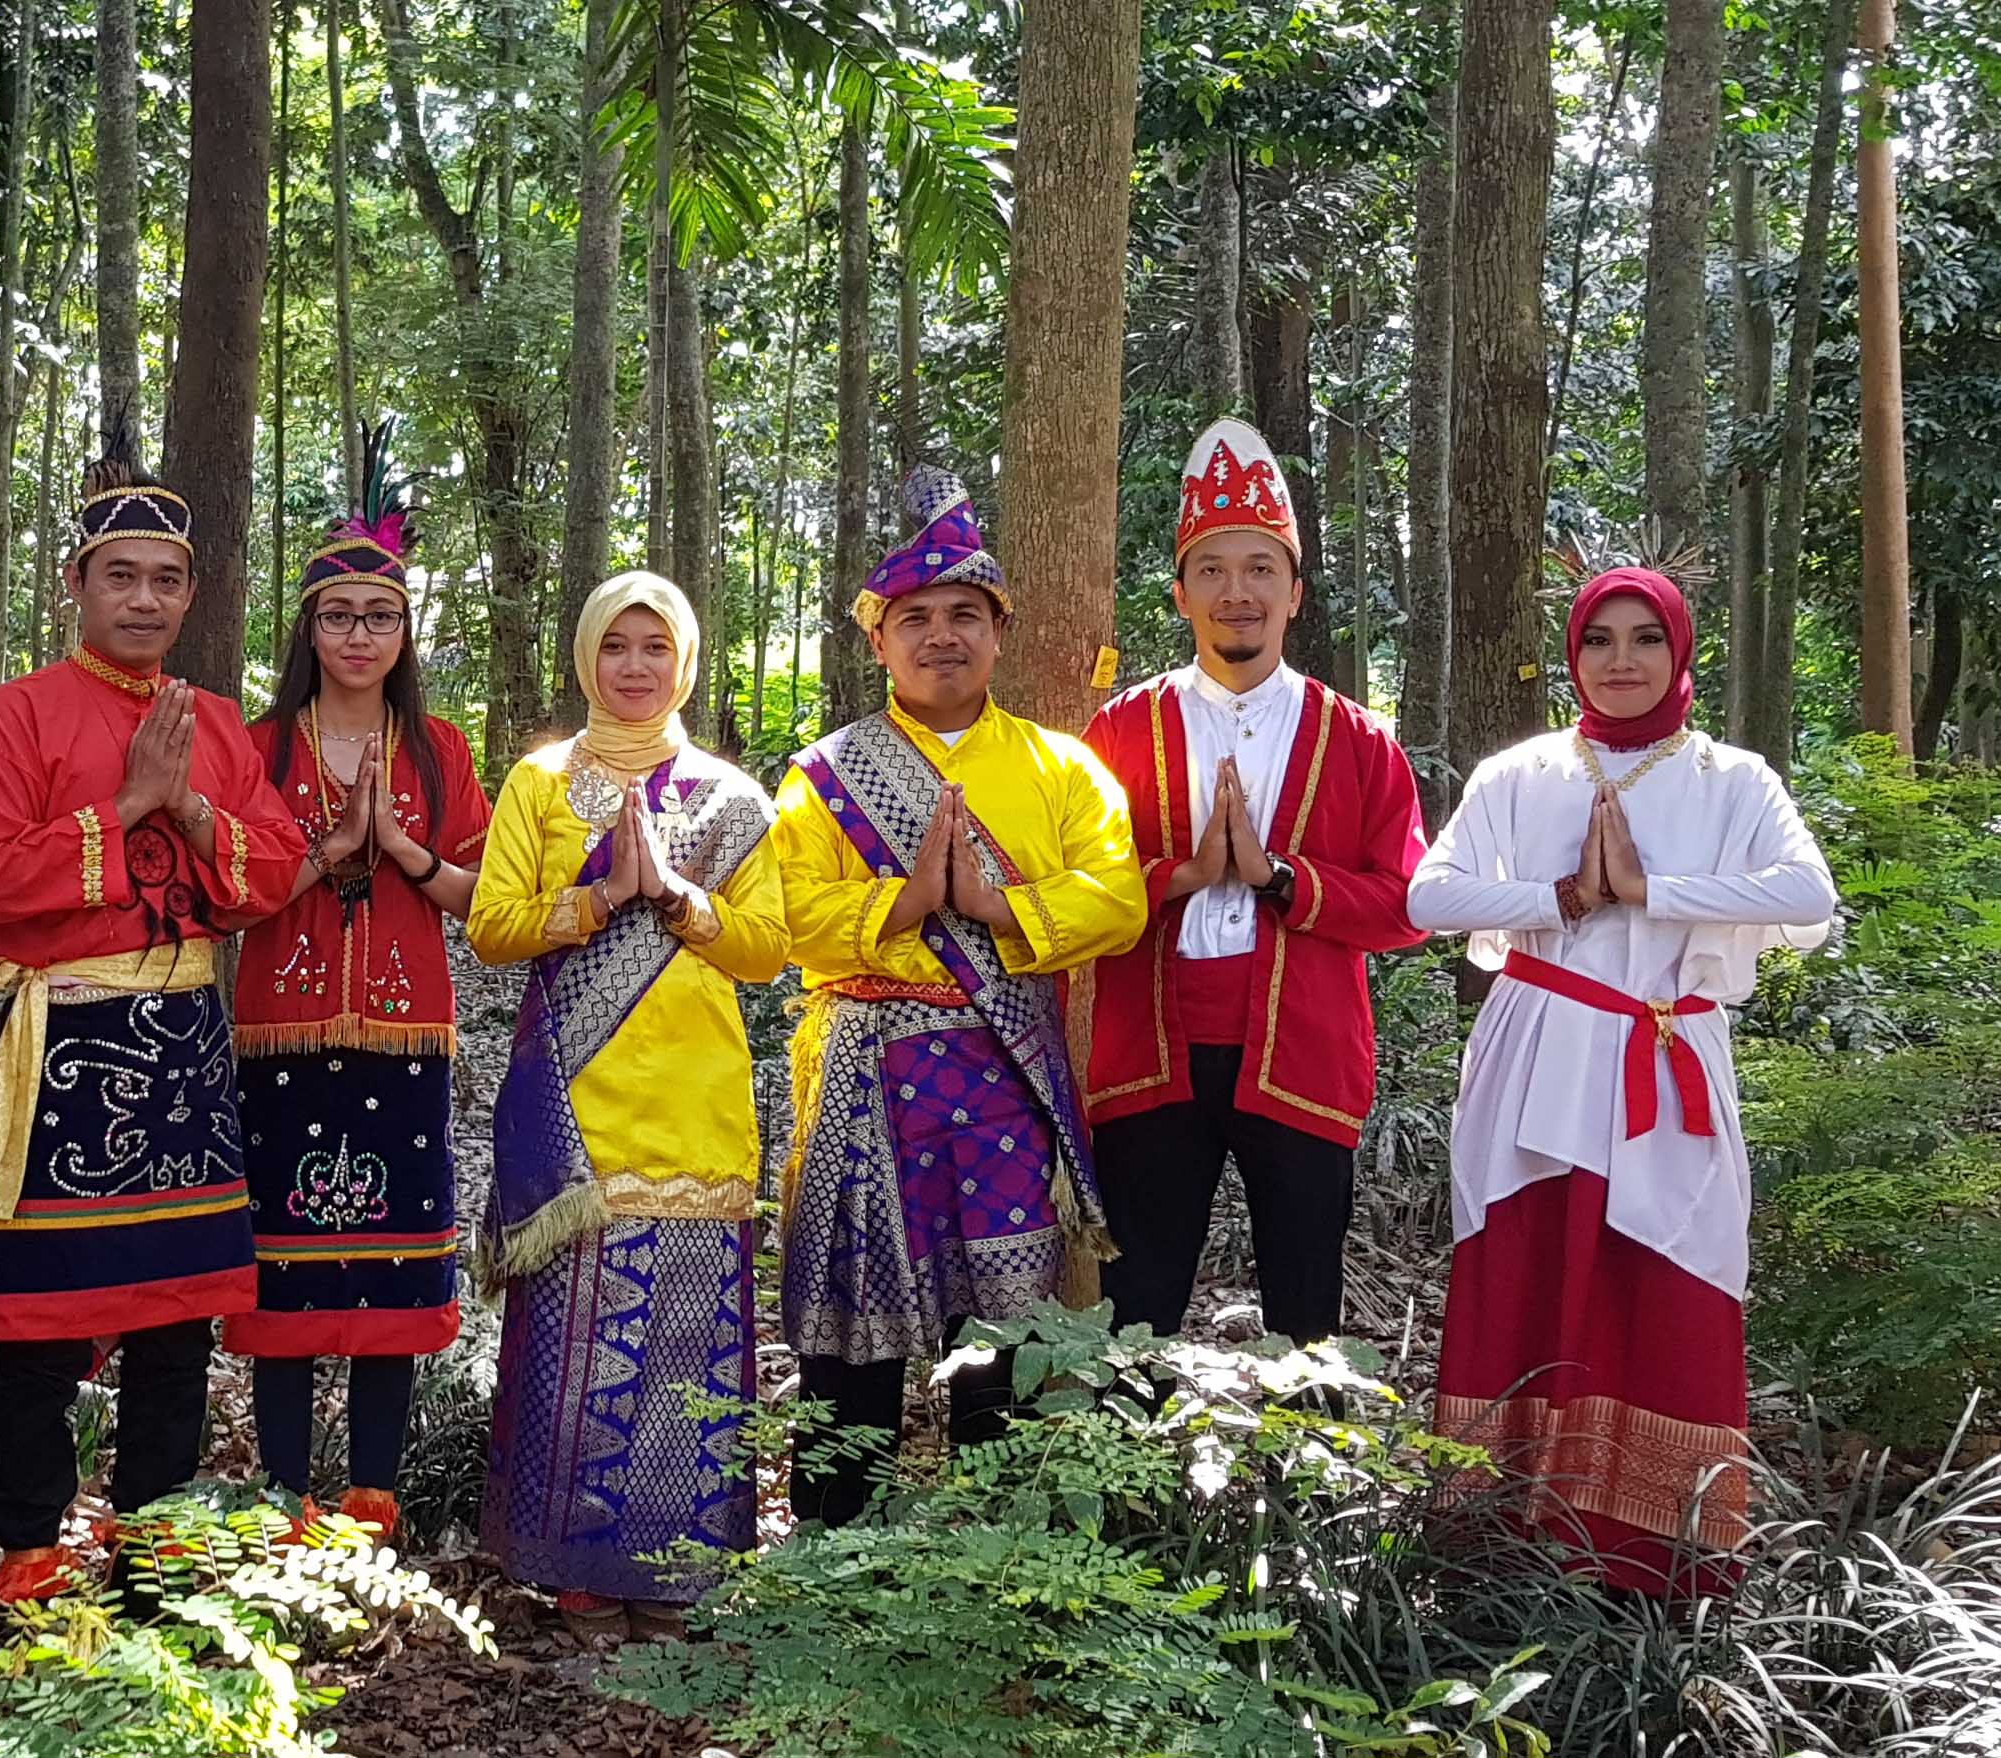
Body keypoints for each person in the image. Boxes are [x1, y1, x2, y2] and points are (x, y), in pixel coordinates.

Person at [1409, 567, 1834, 1595]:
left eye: (1646, 638)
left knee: (1667, 1284)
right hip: (1538, 1056)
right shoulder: (1520, 774)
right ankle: (1497, 1545)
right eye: (1601, 640)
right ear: (1574, 655)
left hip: (1666, 1059)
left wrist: (1651, 891)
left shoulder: (1734, 779)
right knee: (1528, 1268)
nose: (1623, 660)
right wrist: (1559, 895)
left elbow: (1808, 890)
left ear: (1680, 652)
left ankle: (1655, 1558)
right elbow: (1430, 894)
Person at [0, 443, 305, 1603]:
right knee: (42, 1321)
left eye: (165, 579)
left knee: (175, 1321)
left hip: (187, 1048)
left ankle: (154, 1542)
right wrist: (127, 810)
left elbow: (273, 875)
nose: (144, 599)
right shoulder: (12, 717)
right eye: (122, 576)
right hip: (63, 1040)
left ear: (191, 593)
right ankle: (27, 1550)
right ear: (78, 582)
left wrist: (192, 808)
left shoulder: (218, 721)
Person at [766, 468, 1144, 1531]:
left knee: (1008, 1321)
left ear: (999, 634)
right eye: (916, 619)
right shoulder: (823, 774)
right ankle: (837, 1552)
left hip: (1001, 1071)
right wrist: (903, 900)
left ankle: (1002, 1556)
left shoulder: (1062, 768)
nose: (942, 637)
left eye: (965, 617)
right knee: (855, 1327)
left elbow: (1118, 897)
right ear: (878, 642)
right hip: (863, 1069)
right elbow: (783, 914)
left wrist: (999, 902)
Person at [471, 570, 789, 1644]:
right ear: (588, 657)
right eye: (619, 646)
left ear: (685, 661)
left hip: (697, 1105)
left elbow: (767, 950)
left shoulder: (733, 801)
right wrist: (599, 897)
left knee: (687, 1348)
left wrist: (685, 902)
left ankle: (676, 1574)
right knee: (573, 1353)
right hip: (575, 1106)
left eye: (658, 647)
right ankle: (576, 1576)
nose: (638, 666)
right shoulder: (541, 783)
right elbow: (492, 926)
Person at [1079, 418, 1429, 1345]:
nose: (1238, 592)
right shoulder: (1119, 730)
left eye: (1260, 569)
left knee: (1305, 1308)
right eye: (1214, 570)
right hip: (1149, 1053)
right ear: (1181, 593)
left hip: (1304, 1055)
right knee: (1135, 1310)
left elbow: (1409, 906)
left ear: (1296, 593)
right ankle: (1133, 1493)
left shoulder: (1360, 740)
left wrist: (1284, 881)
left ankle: (1299, 1491)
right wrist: (1180, 876)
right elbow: (1075, 887)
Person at [225, 436, 490, 1540]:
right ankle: (287, 1492)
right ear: (309, 627)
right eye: (337, 616)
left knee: (393, 1263)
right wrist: (331, 851)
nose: (358, 637)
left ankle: (373, 1492)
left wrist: (401, 850)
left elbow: (482, 893)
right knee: (283, 1263)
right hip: (280, 1037)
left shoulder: (438, 749)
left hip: (403, 1040)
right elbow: (232, 892)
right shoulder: (256, 745)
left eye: (378, 617)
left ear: (403, 629)